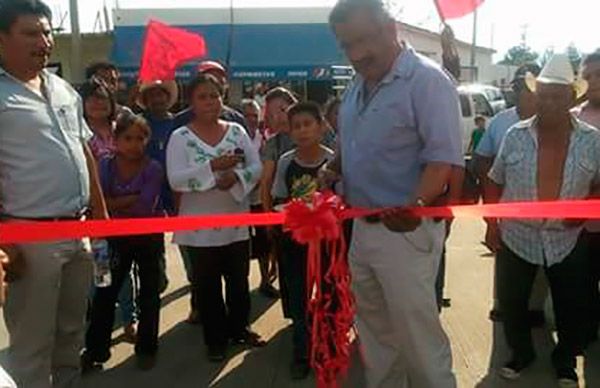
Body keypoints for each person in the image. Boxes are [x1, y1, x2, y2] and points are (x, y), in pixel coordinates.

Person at [324, 0, 463, 386]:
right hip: (362, 230)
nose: (356, 54)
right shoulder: (356, 83)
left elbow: (442, 162)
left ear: (390, 28)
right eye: (346, 45)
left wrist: (416, 204)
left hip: (406, 233)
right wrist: (331, 168)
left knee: (418, 341)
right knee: (375, 338)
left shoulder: (428, 81)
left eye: (363, 40)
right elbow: (351, 142)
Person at [0, 1, 108, 386]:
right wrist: (4, 242)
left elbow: (84, 150)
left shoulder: (63, 89)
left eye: (48, 33)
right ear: (2, 38)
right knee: (31, 346)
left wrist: (100, 213)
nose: (44, 42)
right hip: (27, 238)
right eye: (31, 33)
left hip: (77, 232)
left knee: (70, 336)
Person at [485, 54, 599, 387]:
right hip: (517, 237)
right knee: (512, 303)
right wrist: (493, 226)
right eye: (544, 94)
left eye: (557, 96)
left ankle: (565, 361)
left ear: (571, 98)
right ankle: (521, 354)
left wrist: (583, 209)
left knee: (572, 305)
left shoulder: (592, 140)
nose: (548, 102)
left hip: (567, 238)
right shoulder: (516, 135)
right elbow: (494, 179)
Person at [166, 74, 265, 362]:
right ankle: (215, 340)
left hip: (235, 222)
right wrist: (213, 168)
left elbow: (256, 167)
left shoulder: (237, 131)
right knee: (207, 287)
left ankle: (240, 329)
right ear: (191, 101)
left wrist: (235, 176)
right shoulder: (180, 137)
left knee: (238, 281)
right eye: (202, 96)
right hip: (199, 228)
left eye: (215, 95)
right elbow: (175, 179)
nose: (210, 102)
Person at [82, 113, 164, 371]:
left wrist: (112, 204)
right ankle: (96, 350)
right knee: (104, 292)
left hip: (148, 237)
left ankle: (147, 348)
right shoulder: (104, 166)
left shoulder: (153, 168)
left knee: (150, 293)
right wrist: (120, 202)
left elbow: (144, 207)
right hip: (107, 239)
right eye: (128, 138)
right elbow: (97, 202)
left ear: (147, 141)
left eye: (140, 138)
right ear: (116, 139)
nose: (134, 144)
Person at [474, 63, 546, 324]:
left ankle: (535, 308)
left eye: (526, 86)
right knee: (505, 257)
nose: (520, 91)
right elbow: (482, 159)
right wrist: (490, 206)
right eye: (517, 86)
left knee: (541, 257)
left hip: (545, 206)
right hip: (507, 204)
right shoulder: (501, 122)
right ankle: (501, 304)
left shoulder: (555, 119)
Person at [272, 102, 335, 380]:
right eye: (295, 126)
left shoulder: (334, 161)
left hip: (328, 244)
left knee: (328, 295)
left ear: (321, 127)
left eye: (308, 124)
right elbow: (278, 199)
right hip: (294, 244)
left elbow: (343, 200)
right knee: (298, 300)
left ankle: (328, 348)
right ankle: (301, 352)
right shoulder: (286, 161)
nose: (302, 131)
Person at [81, 79, 138, 343]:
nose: (97, 103)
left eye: (103, 98)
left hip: (126, 214)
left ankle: (129, 321)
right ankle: (97, 328)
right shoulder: (77, 133)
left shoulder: (122, 130)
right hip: (94, 216)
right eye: (91, 98)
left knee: (124, 271)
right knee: (100, 273)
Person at [242, 99, 279, 298]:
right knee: (241, 247)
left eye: (254, 115)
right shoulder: (234, 138)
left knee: (265, 242)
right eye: (246, 115)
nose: (251, 119)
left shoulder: (264, 139)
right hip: (238, 201)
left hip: (259, 199)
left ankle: (265, 280)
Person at [576, 50, 600, 343]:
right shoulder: (572, 118)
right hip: (581, 226)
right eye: (587, 77)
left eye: (599, 76)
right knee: (583, 286)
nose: (593, 82)